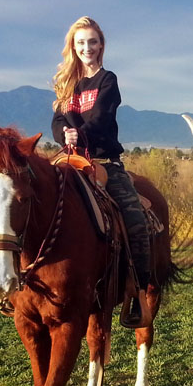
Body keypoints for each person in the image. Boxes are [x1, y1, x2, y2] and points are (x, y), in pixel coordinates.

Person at [51, 16, 151, 326]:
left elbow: (101, 118)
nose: (86, 48)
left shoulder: (107, 80)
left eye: (92, 41)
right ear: (73, 46)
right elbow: (57, 121)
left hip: (105, 162)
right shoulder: (66, 84)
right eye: (80, 42)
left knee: (136, 221)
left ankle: (138, 292)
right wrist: (63, 134)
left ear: (101, 45)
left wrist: (77, 133)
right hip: (70, 161)